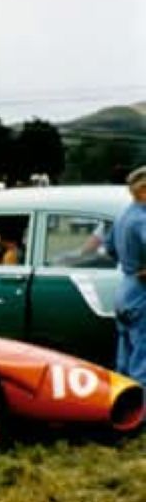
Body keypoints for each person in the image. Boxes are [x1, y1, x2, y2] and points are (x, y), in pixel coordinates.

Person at [103, 165, 146, 385]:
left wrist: (130, 262)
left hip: (125, 289)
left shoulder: (122, 215)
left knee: (125, 356)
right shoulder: (143, 219)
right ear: (143, 190)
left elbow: (109, 249)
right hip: (142, 292)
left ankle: (124, 408)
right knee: (143, 358)